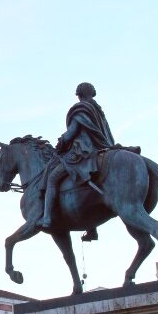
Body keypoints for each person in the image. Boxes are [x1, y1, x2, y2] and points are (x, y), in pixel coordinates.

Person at [37, 82, 115, 241]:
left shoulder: (80, 109)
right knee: (88, 184)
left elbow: (72, 132)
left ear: (79, 94)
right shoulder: (97, 108)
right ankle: (91, 228)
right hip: (101, 148)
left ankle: (47, 217)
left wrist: (62, 141)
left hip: (83, 151)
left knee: (52, 178)